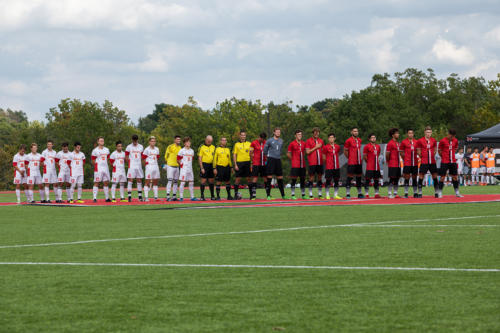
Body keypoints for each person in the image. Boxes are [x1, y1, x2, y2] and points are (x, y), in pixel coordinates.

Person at [438, 129, 462, 197]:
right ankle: (440, 192)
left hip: (453, 161)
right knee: (442, 177)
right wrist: (444, 157)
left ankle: (457, 192)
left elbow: (455, 149)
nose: (452, 138)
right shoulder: (442, 141)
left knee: (455, 177)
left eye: (453, 136)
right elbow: (439, 151)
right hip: (444, 161)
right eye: (451, 136)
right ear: (448, 134)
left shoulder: (455, 140)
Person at [263, 127, 286, 200]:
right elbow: (265, 151)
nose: (278, 133)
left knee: (280, 178)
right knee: (269, 178)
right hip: (271, 160)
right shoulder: (269, 140)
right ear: (274, 132)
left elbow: (280, 150)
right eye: (277, 132)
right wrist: (268, 158)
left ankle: (283, 195)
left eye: (279, 132)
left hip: (278, 160)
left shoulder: (281, 141)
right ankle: (268, 195)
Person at [416, 126, 439, 198]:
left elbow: (435, 150)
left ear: (431, 133)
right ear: (424, 133)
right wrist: (423, 156)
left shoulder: (434, 140)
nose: (428, 134)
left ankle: (436, 192)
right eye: (427, 132)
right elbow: (418, 151)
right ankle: (420, 192)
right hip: (424, 161)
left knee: (435, 176)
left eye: (429, 132)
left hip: (432, 161)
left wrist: (432, 155)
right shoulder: (420, 140)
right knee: (421, 176)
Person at [344, 127, 364, 199]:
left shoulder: (359, 140)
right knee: (350, 177)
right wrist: (350, 158)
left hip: (359, 162)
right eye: (354, 131)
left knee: (359, 177)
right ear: (351, 132)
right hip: (352, 162)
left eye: (357, 131)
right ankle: (348, 193)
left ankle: (359, 193)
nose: (356, 132)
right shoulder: (348, 140)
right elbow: (345, 151)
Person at [305, 127, 324, 199]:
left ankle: (320, 194)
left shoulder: (321, 141)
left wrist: (324, 159)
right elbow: (307, 152)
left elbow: (323, 151)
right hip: (312, 162)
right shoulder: (308, 141)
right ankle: (310, 194)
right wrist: (316, 147)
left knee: (320, 177)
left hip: (320, 162)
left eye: (318, 132)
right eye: (315, 132)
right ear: (313, 133)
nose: (316, 133)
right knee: (311, 178)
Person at [232, 130, 252, 199]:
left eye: (244, 135)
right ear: (240, 136)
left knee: (249, 179)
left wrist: (251, 163)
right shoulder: (236, 144)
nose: (243, 136)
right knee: (238, 179)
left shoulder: (250, 143)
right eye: (242, 135)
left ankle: (251, 195)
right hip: (239, 163)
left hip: (247, 162)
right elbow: (234, 155)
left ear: (245, 136)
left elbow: (252, 154)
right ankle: (235, 195)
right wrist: (235, 164)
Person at [322, 133, 343, 200]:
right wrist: (328, 163)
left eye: (332, 137)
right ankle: (327, 194)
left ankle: (335, 195)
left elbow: (337, 153)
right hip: (329, 167)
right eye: (330, 137)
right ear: (328, 139)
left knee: (336, 180)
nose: (331, 139)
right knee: (328, 181)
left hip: (336, 166)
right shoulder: (325, 147)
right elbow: (324, 157)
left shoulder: (337, 146)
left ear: (334, 138)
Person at [287, 129, 307, 200]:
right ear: (295, 135)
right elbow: (288, 154)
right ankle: (293, 195)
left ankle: (303, 195)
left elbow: (305, 152)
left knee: (302, 179)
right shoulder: (292, 143)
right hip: (295, 165)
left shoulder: (304, 143)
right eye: (298, 134)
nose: (300, 136)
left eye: (301, 134)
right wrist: (293, 159)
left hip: (303, 165)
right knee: (294, 180)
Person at [177, 137, 198, 201]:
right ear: (184, 143)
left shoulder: (192, 151)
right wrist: (181, 164)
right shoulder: (181, 150)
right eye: (187, 142)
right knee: (183, 183)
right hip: (184, 168)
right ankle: (181, 197)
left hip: (190, 168)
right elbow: (178, 159)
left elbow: (192, 159)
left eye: (189, 142)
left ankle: (192, 197)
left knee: (191, 182)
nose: (188, 143)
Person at [91, 137, 111, 202]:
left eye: (103, 140)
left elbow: (108, 158)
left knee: (106, 182)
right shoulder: (95, 150)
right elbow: (93, 160)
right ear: (98, 142)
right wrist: (97, 166)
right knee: (97, 182)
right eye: (100, 141)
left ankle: (107, 198)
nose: (102, 141)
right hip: (98, 168)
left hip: (105, 168)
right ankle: (94, 198)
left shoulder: (107, 150)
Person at [400, 129, 419, 198]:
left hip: (415, 163)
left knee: (414, 178)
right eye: (409, 133)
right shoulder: (404, 142)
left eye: (411, 133)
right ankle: (406, 193)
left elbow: (419, 151)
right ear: (407, 134)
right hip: (407, 163)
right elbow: (401, 152)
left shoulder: (417, 142)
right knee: (407, 178)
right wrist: (405, 158)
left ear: (413, 134)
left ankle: (415, 193)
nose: (410, 134)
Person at [125, 134, 144, 202]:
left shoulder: (141, 146)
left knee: (139, 180)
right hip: (132, 166)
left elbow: (142, 156)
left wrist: (140, 163)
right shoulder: (128, 147)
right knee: (130, 180)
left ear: (137, 140)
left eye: (136, 140)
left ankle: (140, 196)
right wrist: (130, 164)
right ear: (132, 140)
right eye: (134, 140)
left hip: (138, 166)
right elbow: (126, 157)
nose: (135, 141)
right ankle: (129, 196)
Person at [363, 133, 382, 198]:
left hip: (377, 166)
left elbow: (378, 154)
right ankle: (366, 194)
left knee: (376, 180)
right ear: (369, 139)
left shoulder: (378, 146)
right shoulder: (366, 146)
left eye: (374, 137)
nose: (373, 138)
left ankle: (376, 193)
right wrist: (369, 162)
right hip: (370, 166)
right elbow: (365, 156)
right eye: (372, 137)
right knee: (368, 180)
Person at [142, 136, 161, 201]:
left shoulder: (157, 149)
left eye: (154, 141)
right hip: (149, 166)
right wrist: (147, 164)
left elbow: (157, 157)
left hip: (155, 166)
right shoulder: (147, 149)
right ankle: (146, 198)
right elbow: (143, 158)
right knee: (147, 182)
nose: (153, 142)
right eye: (152, 141)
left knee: (155, 182)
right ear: (149, 142)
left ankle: (156, 197)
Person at [250, 133, 267, 200]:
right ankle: (254, 195)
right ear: (259, 137)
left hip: (264, 164)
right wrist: (252, 161)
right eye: (261, 139)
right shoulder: (253, 143)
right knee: (255, 178)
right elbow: (250, 153)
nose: (262, 140)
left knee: (265, 178)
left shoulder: (266, 143)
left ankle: (268, 194)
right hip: (256, 163)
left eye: (263, 139)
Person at [198, 135, 216, 200]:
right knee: (203, 180)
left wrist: (215, 167)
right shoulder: (202, 147)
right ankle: (202, 196)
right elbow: (199, 158)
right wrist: (202, 167)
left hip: (211, 165)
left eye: (211, 141)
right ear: (206, 140)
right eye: (208, 141)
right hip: (204, 165)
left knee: (211, 180)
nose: (209, 142)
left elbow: (215, 157)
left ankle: (212, 196)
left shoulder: (213, 147)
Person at [164, 135, 181, 201]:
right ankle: (168, 196)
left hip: (177, 166)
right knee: (170, 180)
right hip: (170, 166)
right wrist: (168, 163)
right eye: (177, 139)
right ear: (174, 140)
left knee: (176, 181)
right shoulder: (170, 147)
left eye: (179, 140)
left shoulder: (180, 148)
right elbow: (166, 156)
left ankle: (174, 196)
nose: (178, 141)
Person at [386, 128, 401, 199]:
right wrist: (388, 161)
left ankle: (395, 193)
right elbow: (387, 154)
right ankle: (389, 193)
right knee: (392, 179)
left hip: (398, 164)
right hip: (392, 163)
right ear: (393, 135)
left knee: (397, 179)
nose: (398, 134)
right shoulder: (390, 143)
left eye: (398, 133)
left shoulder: (398, 143)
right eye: (397, 133)